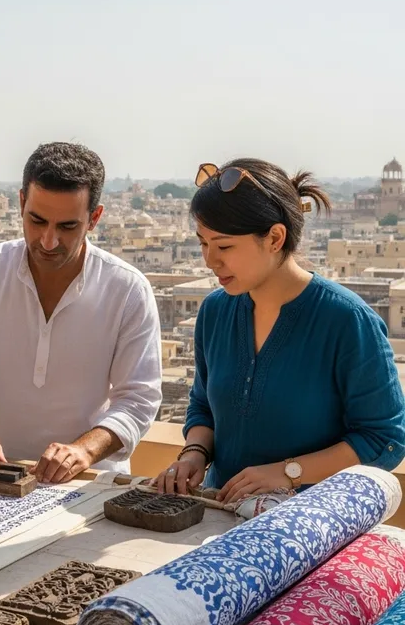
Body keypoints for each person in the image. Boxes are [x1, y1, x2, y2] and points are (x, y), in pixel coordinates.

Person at [157, 158, 405, 504]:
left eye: (224, 246)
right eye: (203, 243)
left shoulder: (346, 321)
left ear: (274, 237)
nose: (209, 260)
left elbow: (384, 439)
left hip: (308, 526)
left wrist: (287, 473)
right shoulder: (216, 311)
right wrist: (194, 454)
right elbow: (203, 405)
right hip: (218, 513)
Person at [0, 141, 162, 484]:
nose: (48, 241)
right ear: (21, 203)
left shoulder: (127, 290)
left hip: (89, 483)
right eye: (37, 221)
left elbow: (139, 399)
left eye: (67, 227)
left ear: (94, 219)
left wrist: (83, 451)